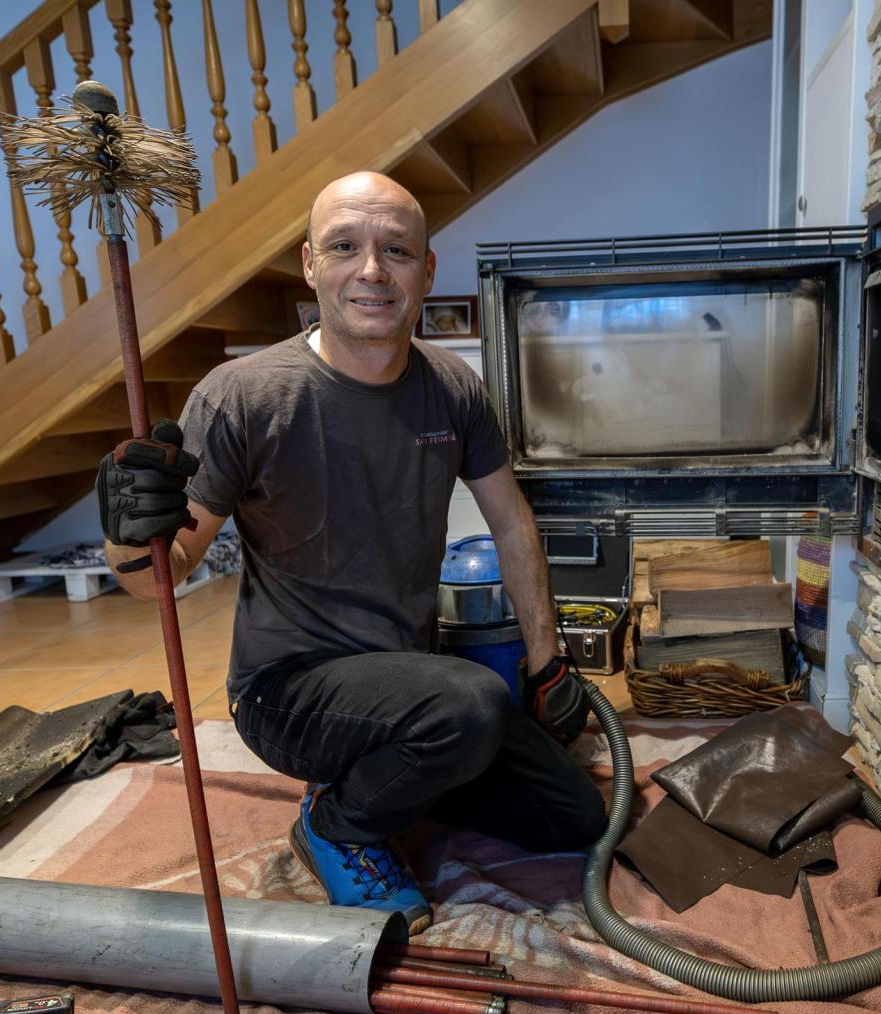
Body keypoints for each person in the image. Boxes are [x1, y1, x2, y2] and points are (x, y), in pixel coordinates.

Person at [94, 172, 604, 934]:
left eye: (396, 250)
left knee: (573, 817)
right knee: (469, 705)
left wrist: (547, 662)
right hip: (287, 691)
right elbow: (158, 576)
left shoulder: (452, 387)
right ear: (309, 263)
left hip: (404, 678)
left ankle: (388, 773)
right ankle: (336, 824)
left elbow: (510, 522)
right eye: (345, 247)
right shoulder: (243, 396)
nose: (371, 270)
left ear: (425, 270)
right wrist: (127, 529)